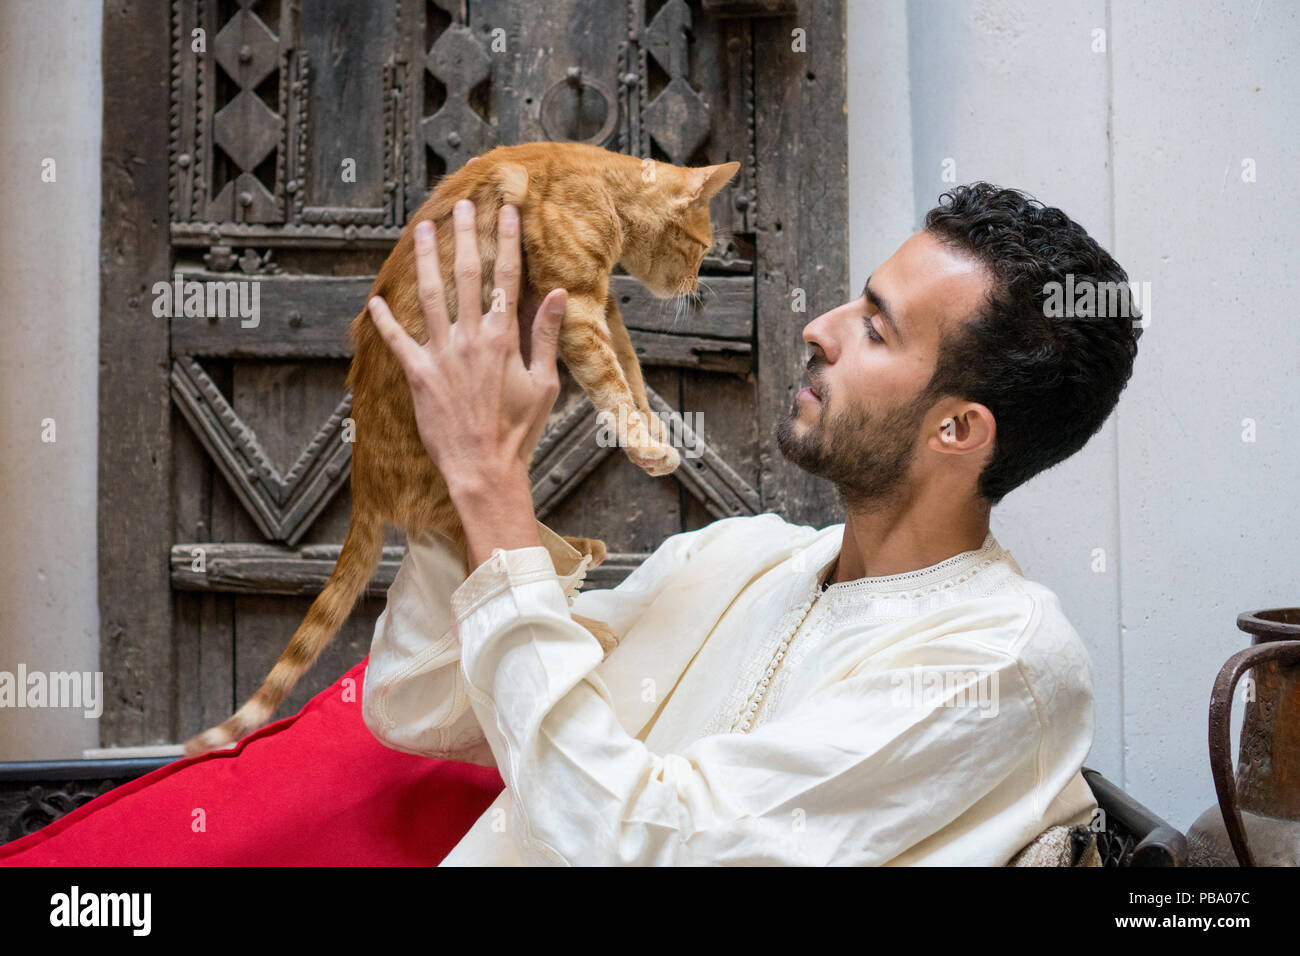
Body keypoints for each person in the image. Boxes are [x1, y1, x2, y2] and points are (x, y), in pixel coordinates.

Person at [360, 183, 1142, 866]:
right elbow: (417, 699)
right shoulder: (738, 556)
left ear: (958, 430)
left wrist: (492, 487)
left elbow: (647, 846)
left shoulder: (999, 662)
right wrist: (453, 472)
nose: (820, 329)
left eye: (875, 328)